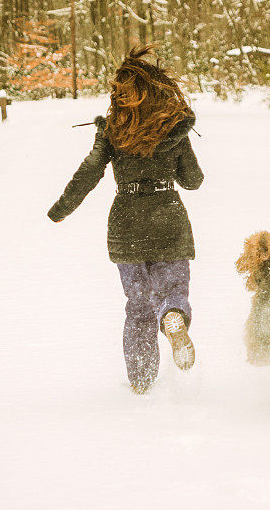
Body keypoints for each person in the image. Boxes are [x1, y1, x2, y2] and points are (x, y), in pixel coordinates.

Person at [47, 45, 204, 394]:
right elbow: (193, 180)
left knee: (138, 307)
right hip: (168, 222)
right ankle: (173, 315)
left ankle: (141, 382)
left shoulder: (112, 131)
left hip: (127, 225)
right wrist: (173, 147)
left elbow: (90, 171)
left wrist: (62, 208)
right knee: (171, 289)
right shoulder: (173, 129)